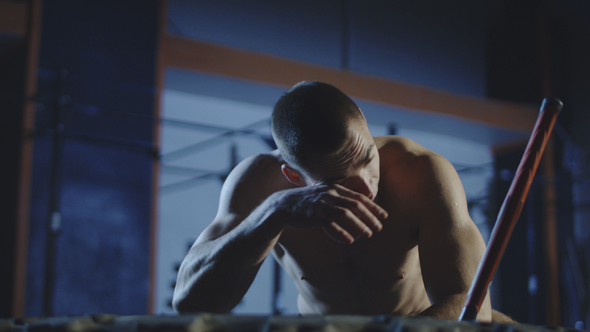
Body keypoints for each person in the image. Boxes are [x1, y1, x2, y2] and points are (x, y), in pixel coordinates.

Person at [172, 81, 514, 323]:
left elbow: (473, 306)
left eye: (366, 158)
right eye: (336, 181)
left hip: (422, 326)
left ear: (364, 121)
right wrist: (273, 213)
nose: (365, 187)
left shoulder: (422, 173)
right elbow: (190, 303)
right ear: (294, 177)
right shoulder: (259, 185)